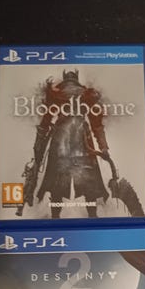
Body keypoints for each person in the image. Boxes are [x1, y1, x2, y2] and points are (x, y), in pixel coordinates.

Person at [35, 70, 110, 218]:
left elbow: (45, 123)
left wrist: (38, 148)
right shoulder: (87, 94)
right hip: (83, 139)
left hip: (60, 140)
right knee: (89, 181)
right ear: (76, 79)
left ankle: (55, 218)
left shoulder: (56, 94)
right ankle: (93, 217)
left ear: (64, 80)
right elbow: (97, 125)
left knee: (56, 182)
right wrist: (104, 147)